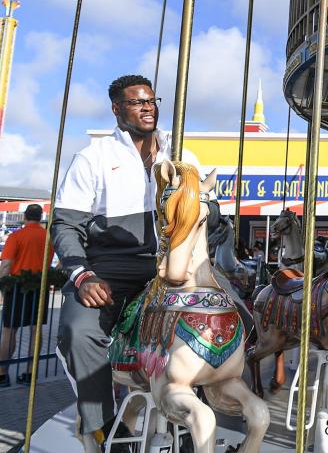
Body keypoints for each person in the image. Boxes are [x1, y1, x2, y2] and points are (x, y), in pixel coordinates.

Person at [52, 74, 197, 445]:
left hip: (167, 264)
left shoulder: (180, 155)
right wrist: (82, 275)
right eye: (137, 102)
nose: (147, 107)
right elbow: (66, 225)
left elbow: (204, 213)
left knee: (227, 316)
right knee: (77, 330)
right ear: (117, 109)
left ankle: (196, 417)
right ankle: (106, 426)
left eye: (151, 100)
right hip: (109, 266)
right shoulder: (94, 157)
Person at [0, 204, 51, 387]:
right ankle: (30, 372)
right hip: (40, 287)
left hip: (16, 287)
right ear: (40, 217)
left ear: (24, 216)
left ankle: (2, 373)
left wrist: (2, 285)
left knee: (9, 330)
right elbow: (60, 261)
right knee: (36, 331)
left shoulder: (16, 236)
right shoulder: (48, 237)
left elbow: (6, 264)